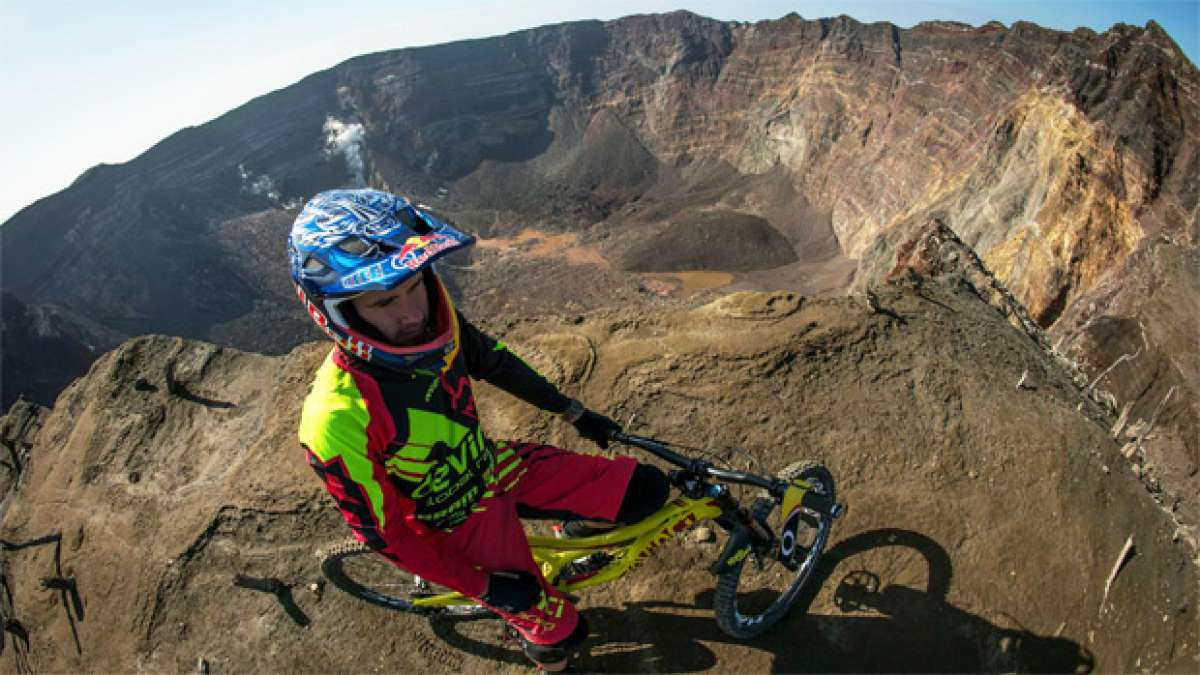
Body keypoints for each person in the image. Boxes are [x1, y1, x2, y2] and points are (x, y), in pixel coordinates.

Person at [289, 188, 669, 671]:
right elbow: (387, 536)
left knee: (645, 492)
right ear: (337, 312)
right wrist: (486, 588)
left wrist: (573, 411)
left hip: (489, 466)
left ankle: (568, 536)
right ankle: (548, 659)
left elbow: (489, 360)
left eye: (415, 286)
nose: (412, 314)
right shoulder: (337, 420)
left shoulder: (433, 315)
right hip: (448, 524)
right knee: (564, 634)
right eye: (384, 303)